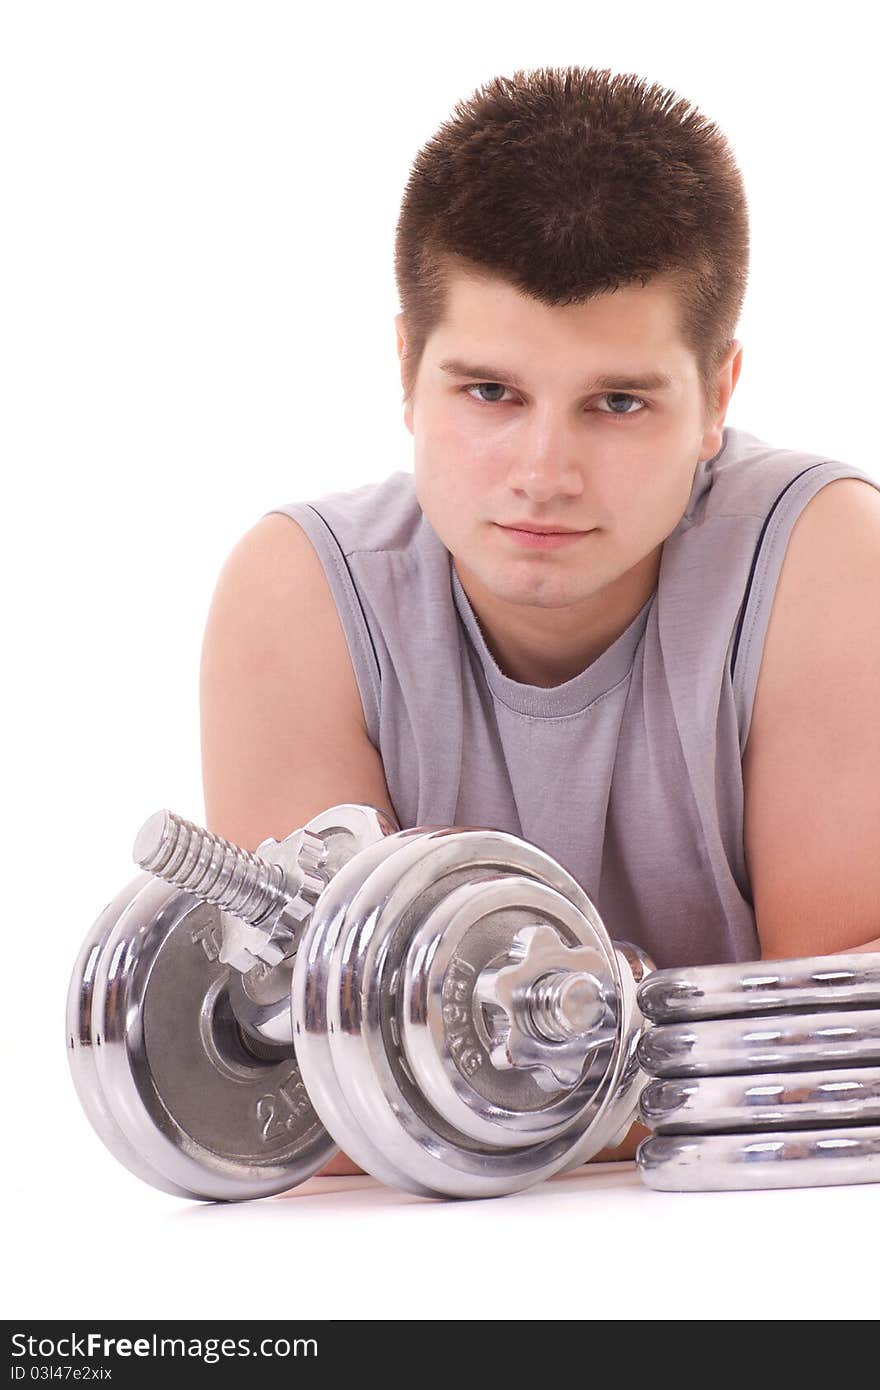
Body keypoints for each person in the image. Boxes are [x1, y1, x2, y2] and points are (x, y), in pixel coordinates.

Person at [199, 66, 880, 1178]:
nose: (544, 474)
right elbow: (321, 1104)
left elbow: (809, 1073)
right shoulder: (299, 597)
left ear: (717, 397)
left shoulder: (826, 560)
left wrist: (450, 1078)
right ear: (406, 371)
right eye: (490, 393)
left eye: (618, 402)